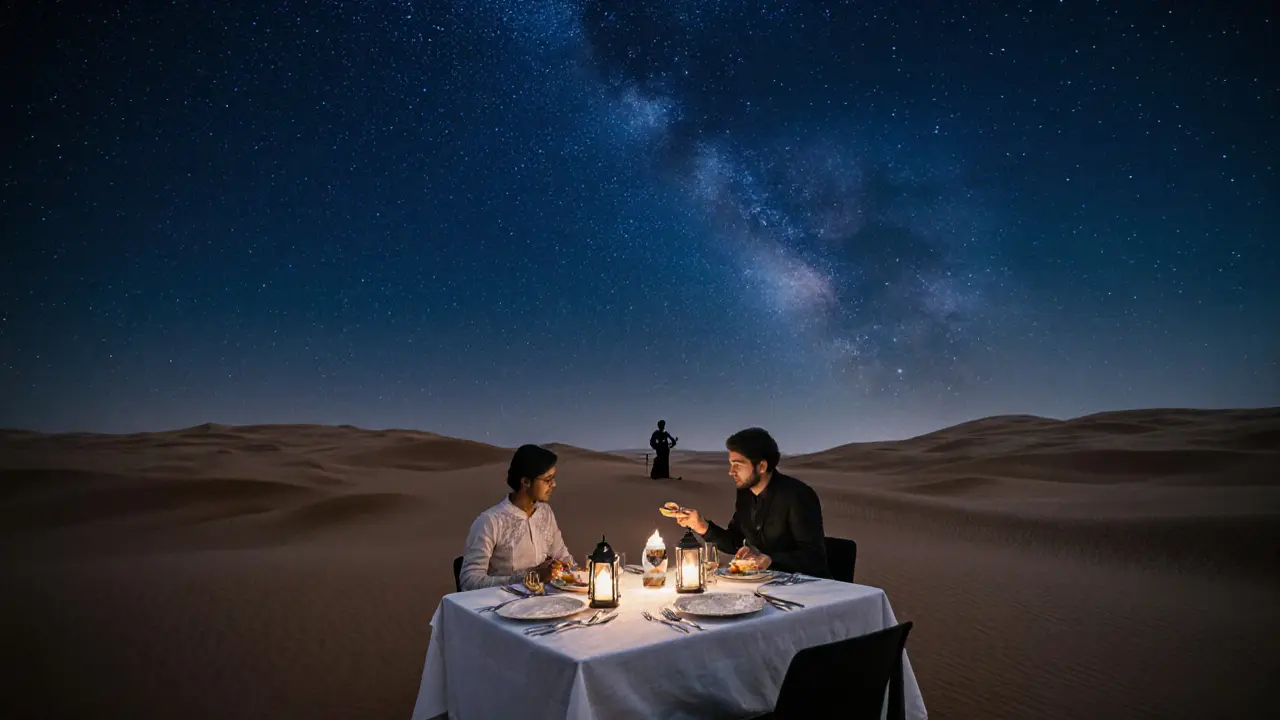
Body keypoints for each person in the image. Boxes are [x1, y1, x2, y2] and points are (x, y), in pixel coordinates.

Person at [669, 427, 830, 578]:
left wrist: (770, 559)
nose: (731, 472)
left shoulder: (798, 495)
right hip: (763, 585)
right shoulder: (745, 493)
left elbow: (813, 558)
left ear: (761, 466)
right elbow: (735, 542)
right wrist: (700, 525)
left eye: (737, 465)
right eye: (731, 464)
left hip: (804, 590)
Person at [458, 444, 574, 591]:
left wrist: (577, 573)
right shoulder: (490, 522)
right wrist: (528, 577)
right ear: (525, 481)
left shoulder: (545, 513)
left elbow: (564, 558)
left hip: (545, 602)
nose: (554, 485)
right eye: (548, 480)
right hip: (500, 607)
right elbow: (469, 582)